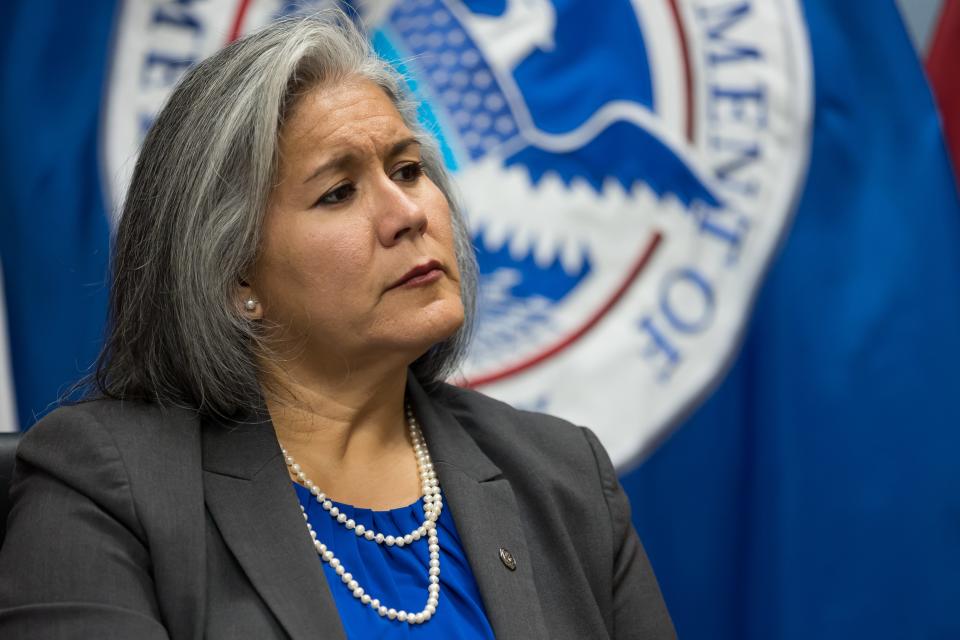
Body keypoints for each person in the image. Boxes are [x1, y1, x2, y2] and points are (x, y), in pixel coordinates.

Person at [0, 10, 674, 639]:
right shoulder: (108, 487)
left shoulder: (564, 477)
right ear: (236, 276)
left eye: (408, 170)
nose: (406, 213)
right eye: (338, 192)